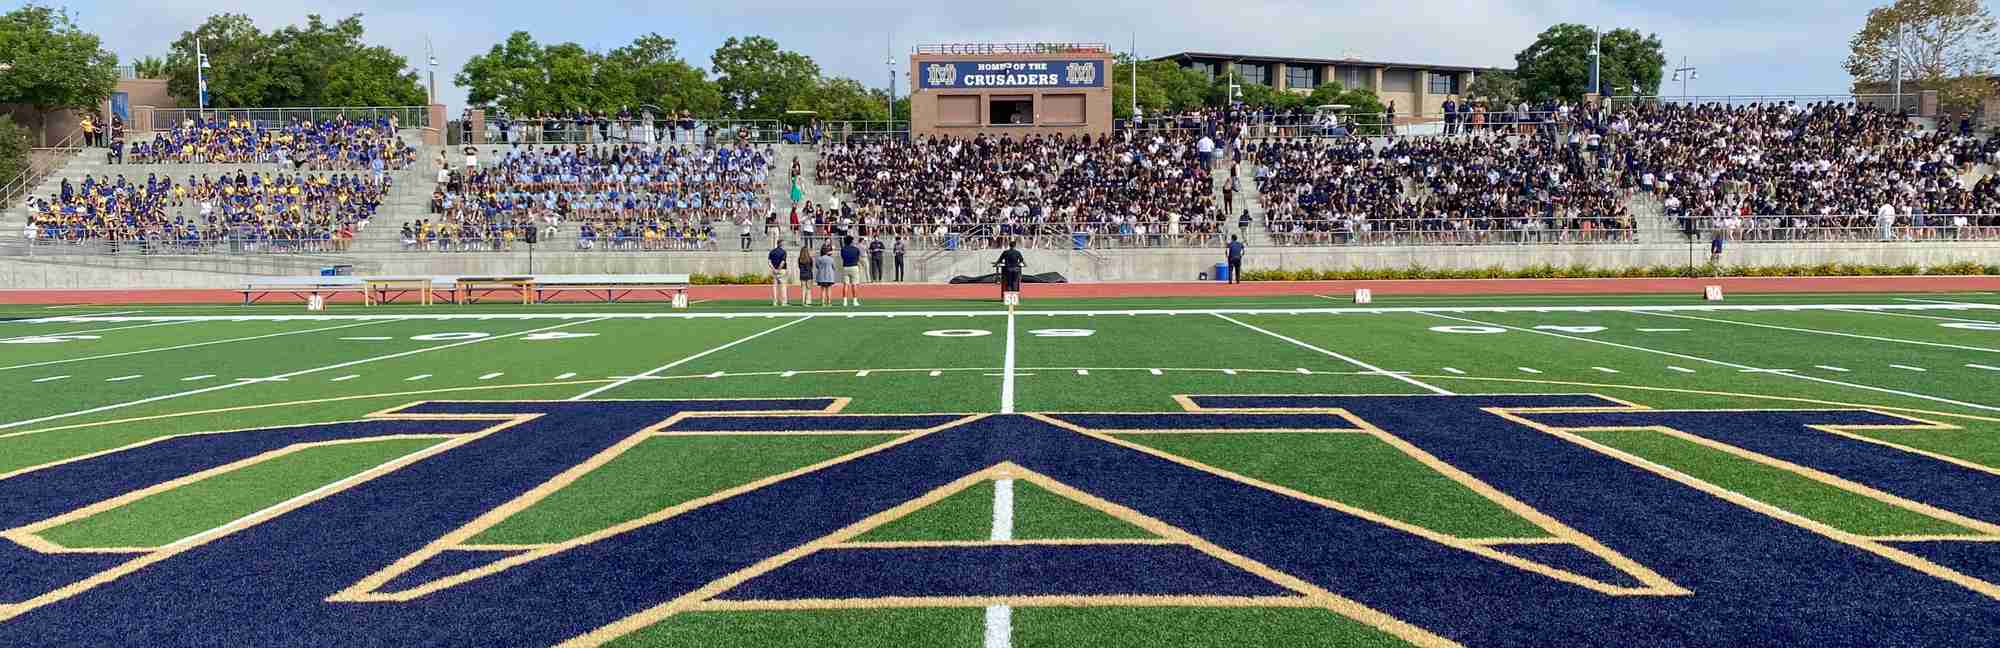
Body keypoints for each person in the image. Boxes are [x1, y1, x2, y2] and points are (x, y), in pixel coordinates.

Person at [996, 239, 1025, 303]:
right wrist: (1024, 264)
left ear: (1009, 245)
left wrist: (996, 264)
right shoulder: (1017, 252)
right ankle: (1015, 298)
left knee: (1008, 283)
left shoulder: (1005, 252)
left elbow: (999, 260)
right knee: (1014, 283)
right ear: (1015, 246)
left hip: (1007, 269)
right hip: (1016, 269)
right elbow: (1021, 260)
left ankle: (1008, 298)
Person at [839, 236, 864, 306]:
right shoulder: (856, 249)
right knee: (854, 284)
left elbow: (843, 257)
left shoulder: (843, 249)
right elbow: (858, 258)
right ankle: (855, 301)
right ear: (851, 241)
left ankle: (845, 301)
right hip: (854, 267)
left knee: (845, 284)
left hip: (846, 267)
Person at [768, 241, 790, 307]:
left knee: (774, 287)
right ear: (782, 244)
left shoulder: (772, 251)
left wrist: (774, 269)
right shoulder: (783, 252)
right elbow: (782, 262)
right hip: (781, 270)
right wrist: (778, 269)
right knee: (783, 286)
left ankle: (775, 302)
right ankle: (783, 302)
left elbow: (769, 262)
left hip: (774, 271)